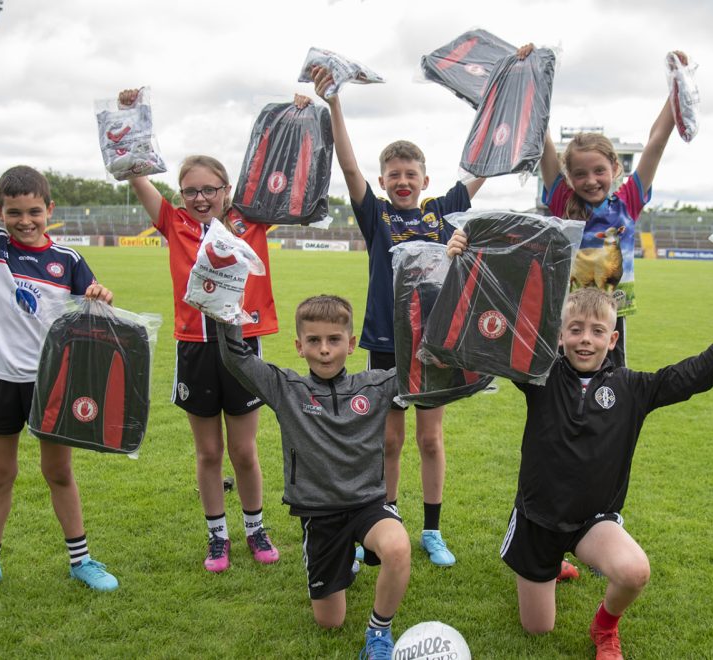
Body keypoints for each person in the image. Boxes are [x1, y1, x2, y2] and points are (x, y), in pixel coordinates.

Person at [449, 224, 713, 657]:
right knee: (538, 630)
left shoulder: (634, 387)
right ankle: (552, 564)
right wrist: (462, 259)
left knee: (633, 572)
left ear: (612, 340)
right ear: (559, 334)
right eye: (574, 329)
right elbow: (490, 325)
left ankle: (604, 628)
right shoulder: (540, 375)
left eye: (596, 331)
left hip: (594, 520)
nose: (585, 339)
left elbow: (695, 373)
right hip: (538, 519)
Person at [306, 46, 532, 567]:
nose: (402, 181)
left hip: (435, 344)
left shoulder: (445, 210)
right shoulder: (376, 216)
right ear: (383, 182)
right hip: (387, 343)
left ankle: (431, 530)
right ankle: (385, 521)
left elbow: (484, 162)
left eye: (411, 174)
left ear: (425, 181)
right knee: (388, 440)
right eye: (394, 175)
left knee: (431, 439)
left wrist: (504, 94)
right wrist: (334, 103)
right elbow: (346, 163)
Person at [0, 146, 119, 603]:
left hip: (50, 382)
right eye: (14, 212)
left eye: (34, 211)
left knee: (59, 473)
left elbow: (91, 306)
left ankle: (82, 561)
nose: (25, 220)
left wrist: (100, 294)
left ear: (50, 210)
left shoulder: (67, 259)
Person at [120, 88, 285, 572]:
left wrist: (296, 117)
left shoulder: (248, 222)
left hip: (241, 346)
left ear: (226, 190)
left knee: (244, 450)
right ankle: (218, 537)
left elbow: (287, 182)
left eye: (210, 189)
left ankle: (256, 529)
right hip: (194, 347)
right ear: (180, 194)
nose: (200, 198)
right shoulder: (172, 222)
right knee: (209, 452)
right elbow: (134, 169)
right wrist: (131, 114)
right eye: (191, 190)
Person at [214, 295, 411, 660]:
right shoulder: (286, 389)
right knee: (330, 621)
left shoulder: (375, 386)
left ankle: (379, 633)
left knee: (398, 548)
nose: (324, 350)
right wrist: (225, 301)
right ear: (299, 347)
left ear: (351, 345)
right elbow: (235, 357)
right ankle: (343, 559)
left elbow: (422, 368)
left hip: (368, 506)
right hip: (320, 516)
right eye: (314, 341)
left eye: (334, 340)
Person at [539, 51, 687, 369]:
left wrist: (679, 85)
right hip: (567, 320)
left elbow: (656, 142)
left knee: (614, 397)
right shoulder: (561, 200)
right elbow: (543, 140)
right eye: (580, 174)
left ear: (615, 167)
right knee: (558, 395)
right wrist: (531, 78)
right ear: (568, 177)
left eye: (599, 171)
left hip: (610, 319)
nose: (590, 181)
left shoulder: (627, 201)